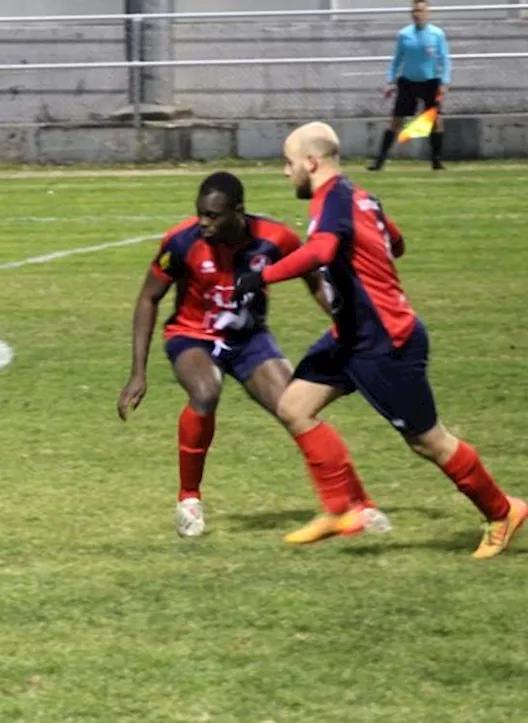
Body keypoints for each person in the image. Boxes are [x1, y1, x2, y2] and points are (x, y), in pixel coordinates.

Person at [233, 122, 525, 559]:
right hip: (350, 337)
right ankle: (340, 510)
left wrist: (263, 276)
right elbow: (397, 242)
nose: (285, 172)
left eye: (288, 163)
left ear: (311, 162)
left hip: (385, 341)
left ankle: (502, 512)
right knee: (294, 406)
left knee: (429, 442)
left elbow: (322, 251)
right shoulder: (359, 195)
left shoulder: (332, 199)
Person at [116, 172, 387, 538]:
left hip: (249, 339)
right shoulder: (181, 242)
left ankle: (360, 505)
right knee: (205, 392)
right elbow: (148, 297)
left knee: (297, 408)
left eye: (213, 216)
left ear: (238, 212)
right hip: (192, 335)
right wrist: (138, 372)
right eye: (200, 214)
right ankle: (189, 500)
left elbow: (314, 279)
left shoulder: (275, 239)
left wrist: (347, 322)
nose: (204, 223)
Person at [369, 0, 450, 171]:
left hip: (430, 81)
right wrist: (391, 81)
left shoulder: (437, 34)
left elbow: (444, 60)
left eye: (420, 10)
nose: (417, 14)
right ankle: (380, 161)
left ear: (427, 13)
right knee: (396, 120)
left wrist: (444, 82)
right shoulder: (404, 34)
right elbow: (397, 60)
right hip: (408, 82)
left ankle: (436, 161)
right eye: (414, 10)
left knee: (435, 121)